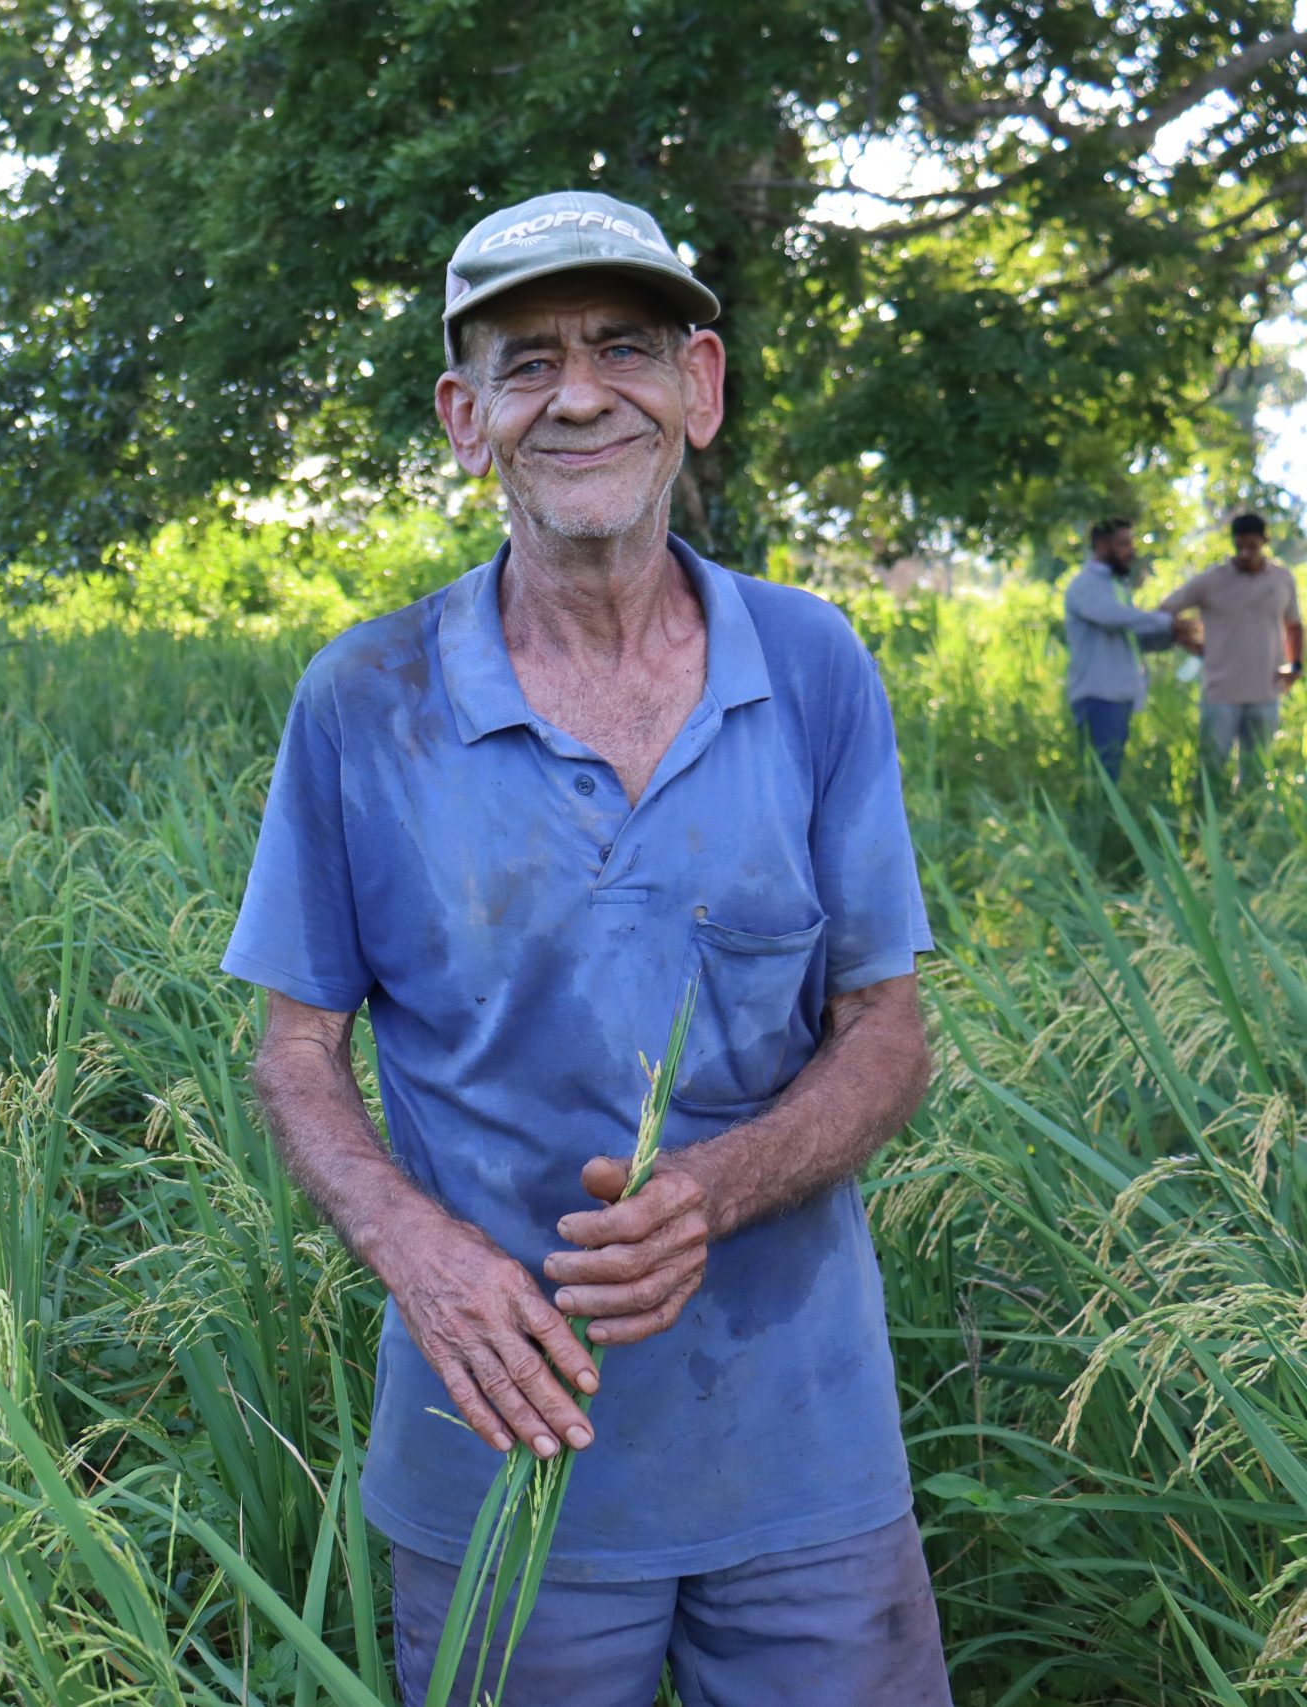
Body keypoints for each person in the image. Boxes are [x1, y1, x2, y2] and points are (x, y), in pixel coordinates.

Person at [222, 188, 949, 1706]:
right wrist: (418, 1253)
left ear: (701, 386)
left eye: (623, 347)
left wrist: (712, 1189)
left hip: (800, 1449)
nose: (579, 394)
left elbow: (888, 1025)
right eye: (527, 358)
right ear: (464, 415)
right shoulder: (365, 696)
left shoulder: (812, 663)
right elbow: (295, 1049)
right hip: (497, 1448)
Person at [1159, 513, 1303, 774]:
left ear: (1264, 541)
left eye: (1253, 547)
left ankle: (1252, 816)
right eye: (1241, 547)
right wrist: (1187, 638)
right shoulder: (1211, 580)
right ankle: (1207, 813)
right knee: (1211, 767)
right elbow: (1165, 611)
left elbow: (1293, 626)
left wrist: (1295, 665)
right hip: (1221, 694)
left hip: (1265, 692)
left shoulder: (1282, 579)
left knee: (1257, 771)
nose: (1246, 554)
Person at [1062, 519, 1186, 779]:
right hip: (1098, 695)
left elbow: (1131, 635)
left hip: (1119, 694)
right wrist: (1166, 621)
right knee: (1099, 775)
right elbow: (1114, 617)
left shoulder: (1115, 586)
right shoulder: (1086, 585)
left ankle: (1103, 817)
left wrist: (1175, 635)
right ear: (1101, 545)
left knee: (1110, 771)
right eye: (1123, 543)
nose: (1130, 551)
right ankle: (1093, 819)